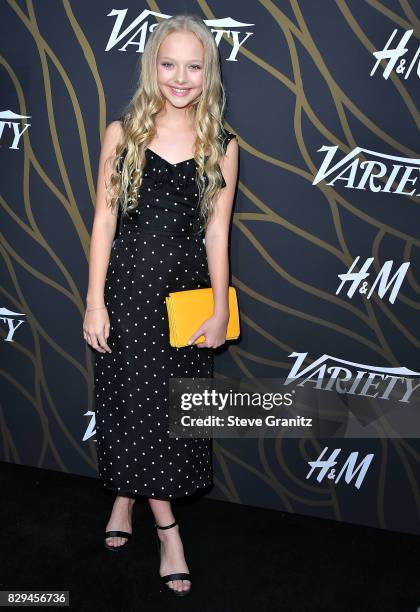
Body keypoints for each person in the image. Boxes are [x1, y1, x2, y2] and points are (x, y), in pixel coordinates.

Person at [83, 14, 238, 597]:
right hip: (126, 294)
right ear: (152, 65)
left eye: (193, 66)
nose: (180, 77)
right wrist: (94, 302)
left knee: (171, 414)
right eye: (168, 63)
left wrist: (220, 309)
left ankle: (126, 497)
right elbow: (104, 220)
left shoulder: (223, 145)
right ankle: (165, 529)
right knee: (128, 403)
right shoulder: (122, 132)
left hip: (186, 301)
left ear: (208, 72)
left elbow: (217, 236)